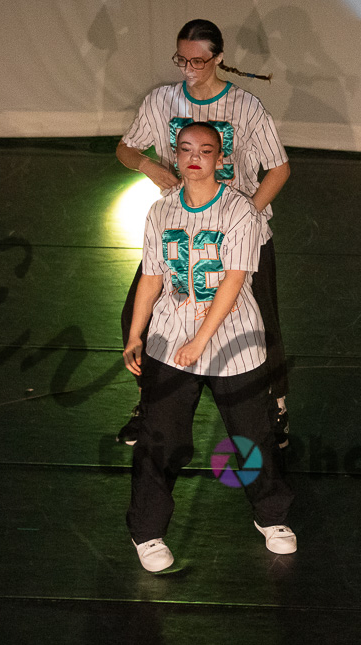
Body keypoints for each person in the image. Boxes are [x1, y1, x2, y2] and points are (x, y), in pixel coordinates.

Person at [123, 122, 295, 572]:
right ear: (175, 157)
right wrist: (135, 334)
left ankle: (271, 516)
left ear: (221, 159)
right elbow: (151, 277)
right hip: (170, 341)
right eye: (185, 149)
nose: (194, 157)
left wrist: (200, 340)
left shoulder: (241, 212)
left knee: (252, 434)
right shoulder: (161, 211)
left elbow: (234, 281)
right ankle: (147, 531)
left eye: (204, 150)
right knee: (160, 438)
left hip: (234, 342)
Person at [116, 18, 292, 448]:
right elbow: (125, 148)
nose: (189, 68)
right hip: (178, 233)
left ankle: (275, 405)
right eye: (182, 60)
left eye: (198, 60)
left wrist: (243, 218)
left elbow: (279, 168)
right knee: (138, 312)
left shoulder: (245, 107)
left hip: (239, 237)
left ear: (219, 58)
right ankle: (149, 401)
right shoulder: (161, 101)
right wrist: (150, 166)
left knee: (261, 322)